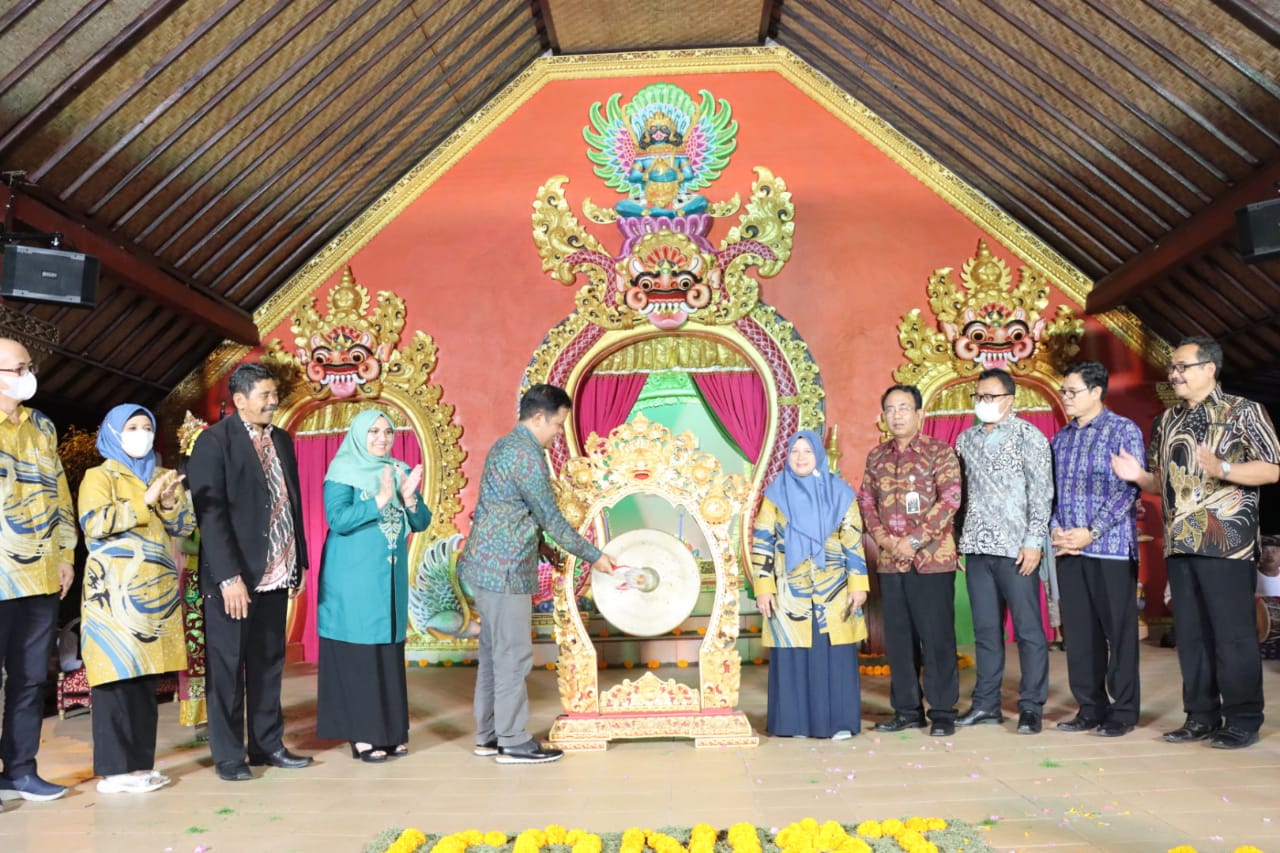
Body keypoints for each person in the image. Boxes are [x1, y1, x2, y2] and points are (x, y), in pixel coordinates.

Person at [1113, 336, 1280, 749]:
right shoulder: (1166, 421)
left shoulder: (1244, 412)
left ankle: (1242, 719)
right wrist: (1138, 477)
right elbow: (1162, 483)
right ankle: (1201, 716)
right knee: (1191, 635)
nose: (1174, 373)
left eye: (1182, 366)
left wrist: (1224, 467)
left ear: (1210, 368)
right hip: (1180, 544)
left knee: (1233, 635)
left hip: (1228, 544)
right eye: (1172, 367)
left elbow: (1272, 469)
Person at [458, 384, 615, 764]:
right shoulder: (527, 456)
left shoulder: (505, 446)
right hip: (506, 571)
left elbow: (507, 511)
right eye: (558, 425)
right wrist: (596, 557)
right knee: (512, 656)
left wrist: (542, 549)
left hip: (486, 565)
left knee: (495, 655)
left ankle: (489, 735)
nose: (558, 434)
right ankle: (512, 741)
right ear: (539, 417)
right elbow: (551, 519)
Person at [186, 363, 312, 781]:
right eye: (264, 395)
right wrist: (228, 578)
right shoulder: (213, 443)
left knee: (268, 663)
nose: (273, 402)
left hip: (277, 571)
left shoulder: (281, 439)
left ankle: (267, 744)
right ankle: (228, 756)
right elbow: (212, 515)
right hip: (233, 580)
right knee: (227, 668)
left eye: (274, 394)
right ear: (240, 400)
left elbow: (291, 503)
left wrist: (300, 563)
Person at [78, 405, 194, 793]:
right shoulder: (99, 476)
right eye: (132, 427)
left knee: (145, 681)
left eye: (147, 427)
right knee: (115, 678)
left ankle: (141, 766)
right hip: (112, 595)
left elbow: (186, 527)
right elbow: (93, 525)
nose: (141, 433)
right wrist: (143, 501)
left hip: (156, 594)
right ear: (114, 432)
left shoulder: (163, 476)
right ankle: (114, 772)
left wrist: (167, 504)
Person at [316, 410, 431, 762]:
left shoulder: (399, 470)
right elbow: (338, 520)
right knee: (361, 655)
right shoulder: (342, 472)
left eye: (388, 431)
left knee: (387, 652)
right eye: (373, 431)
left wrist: (409, 497)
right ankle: (364, 735)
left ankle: (391, 732)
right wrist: (379, 499)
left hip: (388, 579)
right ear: (358, 434)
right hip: (352, 579)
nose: (382, 438)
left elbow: (421, 521)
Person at [858, 385, 962, 738]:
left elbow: (950, 500)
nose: (897, 415)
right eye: (890, 409)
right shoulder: (876, 457)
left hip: (932, 561)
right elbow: (866, 503)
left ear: (920, 414)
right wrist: (887, 541)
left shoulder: (939, 452)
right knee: (899, 640)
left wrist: (914, 541)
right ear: (883, 416)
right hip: (890, 562)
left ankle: (944, 710)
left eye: (904, 408)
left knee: (936, 638)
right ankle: (907, 710)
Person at [954, 368, 1053, 734]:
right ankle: (985, 705)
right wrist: (956, 538)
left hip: (1017, 549)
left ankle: (1031, 706)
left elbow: (1041, 494)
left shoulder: (1031, 437)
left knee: (1028, 630)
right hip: (977, 547)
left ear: (1010, 400)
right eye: (978, 397)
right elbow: (959, 497)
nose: (983, 403)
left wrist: (1033, 542)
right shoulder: (966, 441)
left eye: (990, 397)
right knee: (985, 631)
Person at [753, 430, 869, 739]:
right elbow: (763, 542)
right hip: (790, 589)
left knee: (834, 653)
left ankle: (838, 723)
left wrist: (859, 584)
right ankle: (795, 724)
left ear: (819, 455)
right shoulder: (775, 495)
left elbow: (853, 540)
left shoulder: (841, 493)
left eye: (807, 451)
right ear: (787, 456)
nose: (801, 457)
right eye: (795, 452)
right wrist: (764, 587)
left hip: (834, 587)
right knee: (793, 654)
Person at [1048, 361, 1144, 737]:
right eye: (1064, 390)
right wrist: (1058, 530)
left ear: (1096, 392)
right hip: (1069, 550)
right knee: (1080, 633)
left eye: (1072, 391)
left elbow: (1129, 489)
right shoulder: (1061, 438)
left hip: (1111, 550)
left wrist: (1092, 531)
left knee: (1119, 633)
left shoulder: (1123, 430)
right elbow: (1051, 492)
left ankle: (1122, 711)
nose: (1065, 397)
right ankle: (1089, 707)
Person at [0, 338, 76, 807]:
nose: (28, 373)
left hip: (42, 573)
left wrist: (66, 553)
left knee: (30, 678)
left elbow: (59, 494)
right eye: (18, 367)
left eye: (29, 366)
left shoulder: (41, 426)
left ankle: (21, 770)